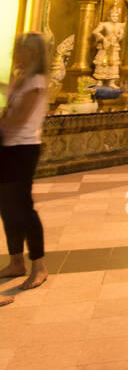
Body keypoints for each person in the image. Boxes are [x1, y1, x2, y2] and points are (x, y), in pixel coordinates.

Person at [0, 33, 51, 304]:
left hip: (23, 148)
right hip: (8, 147)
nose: (14, 53)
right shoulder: (23, 79)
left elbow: (19, 118)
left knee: (23, 207)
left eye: (19, 49)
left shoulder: (37, 81)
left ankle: (39, 266)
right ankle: (16, 260)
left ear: (31, 53)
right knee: (7, 207)